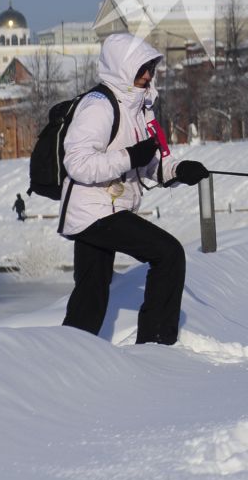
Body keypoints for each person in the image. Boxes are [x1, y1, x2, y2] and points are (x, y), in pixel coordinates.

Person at [59, 33, 195, 344]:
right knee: (168, 254)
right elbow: (78, 163)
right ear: (121, 69)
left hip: (110, 206)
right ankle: (156, 343)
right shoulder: (98, 106)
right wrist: (129, 156)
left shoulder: (140, 108)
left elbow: (149, 164)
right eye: (140, 69)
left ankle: (69, 353)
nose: (147, 75)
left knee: (91, 291)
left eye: (149, 68)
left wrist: (179, 171)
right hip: (94, 209)